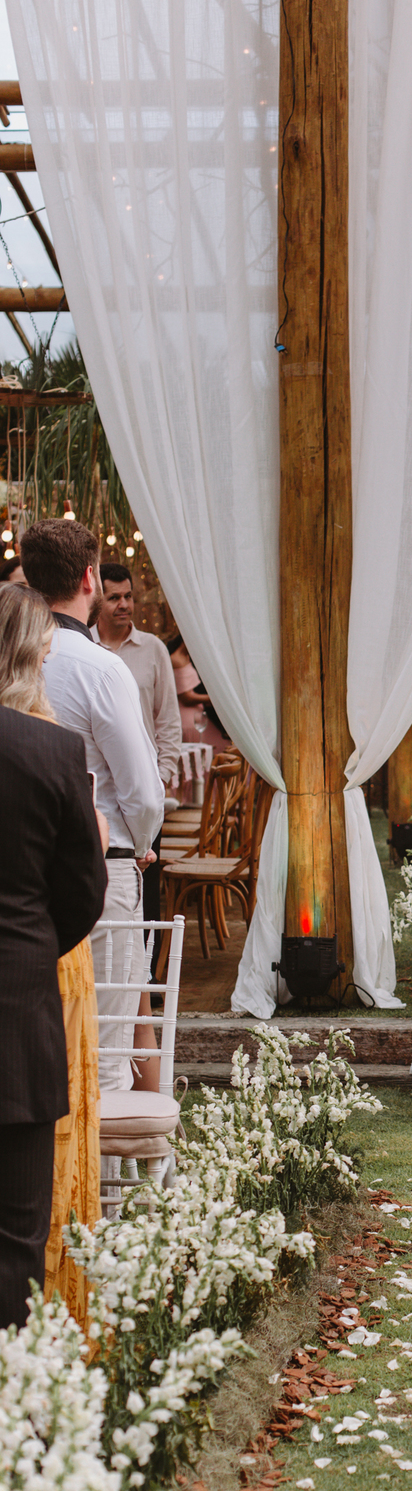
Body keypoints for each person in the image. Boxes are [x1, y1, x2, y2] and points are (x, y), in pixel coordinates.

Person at [21, 519, 164, 1093]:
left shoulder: (17, 662)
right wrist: (144, 842)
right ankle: (100, 1182)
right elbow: (142, 788)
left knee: (36, 1037)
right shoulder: (100, 667)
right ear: (90, 578)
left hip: (22, 871)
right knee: (104, 1042)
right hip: (102, 868)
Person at [0, 587, 107, 1328]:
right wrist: (32, 943)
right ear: (35, 659)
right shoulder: (51, 750)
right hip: (18, 1017)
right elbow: (83, 891)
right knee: (14, 1237)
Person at [93, 562, 182, 927]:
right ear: (97, 599)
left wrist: (160, 780)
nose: (124, 604)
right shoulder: (85, 648)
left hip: (144, 790)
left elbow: (168, 721)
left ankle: (148, 975)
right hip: (100, 796)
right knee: (104, 885)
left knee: (148, 887)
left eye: (128, 596)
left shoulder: (153, 649)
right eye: (114, 597)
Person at [168, 634, 230, 748]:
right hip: (189, 719)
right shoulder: (176, 660)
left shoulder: (187, 657)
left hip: (199, 714)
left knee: (222, 745)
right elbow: (186, 698)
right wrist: (216, 699)